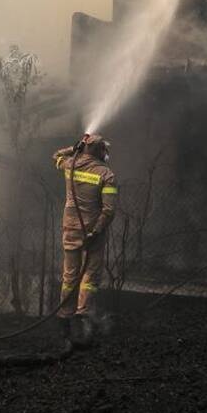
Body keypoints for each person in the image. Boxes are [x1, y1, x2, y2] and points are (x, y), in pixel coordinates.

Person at [52, 133, 118, 344]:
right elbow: (109, 211)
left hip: (70, 228)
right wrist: (96, 231)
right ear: (99, 151)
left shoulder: (70, 165)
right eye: (104, 149)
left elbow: (56, 156)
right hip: (92, 233)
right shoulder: (106, 174)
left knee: (69, 276)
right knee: (90, 277)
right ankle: (83, 317)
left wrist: (74, 149)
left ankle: (64, 321)